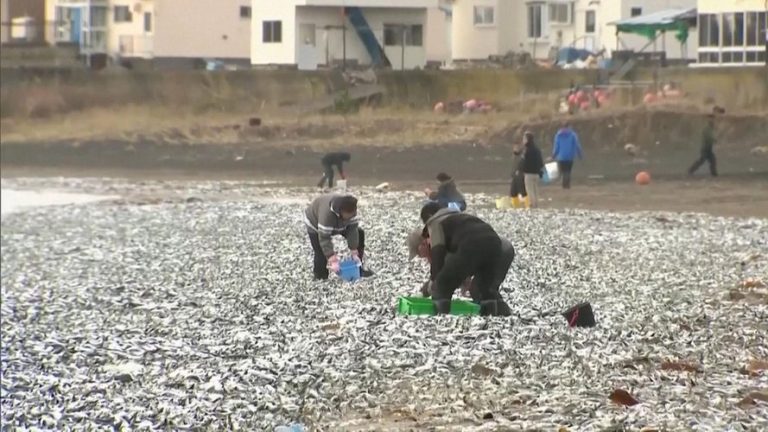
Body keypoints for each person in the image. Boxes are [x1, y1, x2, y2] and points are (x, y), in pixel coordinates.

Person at [419, 202, 512, 316]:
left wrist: (434, 280)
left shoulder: (435, 223)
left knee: (443, 284)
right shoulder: (462, 217)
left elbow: (438, 251)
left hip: (471, 244)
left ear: (429, 217)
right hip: (495, 244)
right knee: (482, 288)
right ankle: (496, 315)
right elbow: (459, 263)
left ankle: (441, 317)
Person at [407, 224, 516, 303]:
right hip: (488, 251)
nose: (420, 256)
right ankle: (494, 314)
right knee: (478, 290)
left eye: (418, 252)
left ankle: (503, 316)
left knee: (481, 289)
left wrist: (424, 293)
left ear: (423, 244)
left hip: (500, 250)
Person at [304, 193, 374, 280]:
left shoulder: (352, 212)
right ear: (340, 211)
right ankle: (320, 276)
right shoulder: (327, 215)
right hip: (315, 224)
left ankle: (358, 267)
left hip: (340, 224)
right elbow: (324, 237)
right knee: (320, 251)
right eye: (347, 215)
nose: (350, 217)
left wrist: (354, 250)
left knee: (359, 233)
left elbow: (352, 229)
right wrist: (332, 258)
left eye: (351, 215)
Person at [552, 122, 583, 189]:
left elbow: (556, 147)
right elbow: (577, 145)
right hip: (570, 156)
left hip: (561, 157)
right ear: (569, 127)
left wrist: (553, 155)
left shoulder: (558, 135)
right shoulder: (573, 135)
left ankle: (564, 185)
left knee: (563, 172)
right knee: (568, 171)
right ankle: (567, 185)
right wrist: (580, 154)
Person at [521, 131, 545, 208]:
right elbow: (541, 162)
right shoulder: (537, 149)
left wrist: (522, 170)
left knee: (530, 191)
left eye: (524, 139)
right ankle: (536, 205)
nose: (523, 140)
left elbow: (524, 163)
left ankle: (532, 205)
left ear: (527, 139)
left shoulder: (527, 150)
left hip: (529, 174)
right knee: (535, 191)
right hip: (536, 174)